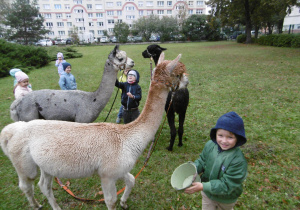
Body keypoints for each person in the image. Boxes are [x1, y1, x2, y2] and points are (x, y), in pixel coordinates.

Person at [184, 111, 248, 210]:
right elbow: (202, 160)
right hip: (207, 194)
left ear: (237, 138)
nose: (224, 141)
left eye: (230, 137)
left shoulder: (238, 161)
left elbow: (228, 185)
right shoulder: (210, 145)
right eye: (220, 135)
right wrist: (194, 169)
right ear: (215, 134)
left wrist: (203, 186)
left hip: (226, 199)